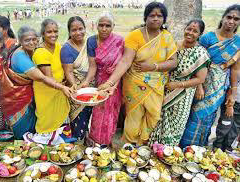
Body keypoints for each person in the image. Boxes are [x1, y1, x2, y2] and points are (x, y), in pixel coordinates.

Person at [99, 2, 177, 146]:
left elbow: (173, 62)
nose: (155, 18)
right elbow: (125, 61)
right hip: (135, 83)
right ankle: (128, 148)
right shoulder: (134, 36)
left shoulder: (167, 37)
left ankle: (142, 147)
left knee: (153, 116)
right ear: (145, 17)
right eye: (152, 15)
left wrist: (154, 67)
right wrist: (110, 82)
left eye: (159, 16)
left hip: (156, 85)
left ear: (164, 19)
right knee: (133, 118)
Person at [180, 4, 240, 148]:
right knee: (195, 116)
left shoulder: (237, 42)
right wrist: (198, 85)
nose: (231, 21)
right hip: (202, 83)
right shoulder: (208, 38)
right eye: (229, 17)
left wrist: (233, 92)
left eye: (236, 19)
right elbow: (197, 61)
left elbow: (235, 69)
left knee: (209, 119)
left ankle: (199, 149)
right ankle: (185, 148)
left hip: (219, 88)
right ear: (223, 18)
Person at [149, 19, 210, 146]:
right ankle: (152, 149)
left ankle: (167, 152)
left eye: (195, 31)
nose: (190, 33)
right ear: (184, 29)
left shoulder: (201, 54)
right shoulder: (174, 45)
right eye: (189, 29)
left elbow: (200, 79)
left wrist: (178, 85)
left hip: (183, 94)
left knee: (175, 124)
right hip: (164, 88)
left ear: (200, 34)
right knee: (157, 120)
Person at [25, 19, 72, 145]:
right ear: (43, 34)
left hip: (60, 90)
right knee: (47, 119)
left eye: (55, 31)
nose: (53, 35)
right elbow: (48, 78)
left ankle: (59, 143)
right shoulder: (40, 52)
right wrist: (62, 87)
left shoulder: (58, 47)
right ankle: (45, 144)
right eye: (49, 32)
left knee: (60, 117)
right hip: (46, 91)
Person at [82, 12, 124, 147]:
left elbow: (121, 68)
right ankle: (95, 142)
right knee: (98, 113)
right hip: (100, 82)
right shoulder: (91, 41)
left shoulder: (119, 41)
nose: (104, 28)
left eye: (107, 25)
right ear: (96, 26)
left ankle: (106, 142)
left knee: (111, 114)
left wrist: (112, 84)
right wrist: (86, 82)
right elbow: (93, 66)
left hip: (114, 82)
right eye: (101, 25)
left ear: (113, 27)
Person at [61, 16, 92, 141]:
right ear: (69, 32)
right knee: (79, 118)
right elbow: (68, 71)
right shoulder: (66, 49)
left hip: (90, 86)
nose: (78, 32)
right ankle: (78, 141)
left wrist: (87, 82)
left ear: (85, 28)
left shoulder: (90, 42)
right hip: (77, 87)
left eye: (81, 29)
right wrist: (76, 88)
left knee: (90, 116)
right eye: (74, 30)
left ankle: (87, 138)